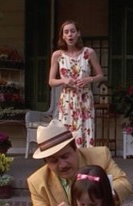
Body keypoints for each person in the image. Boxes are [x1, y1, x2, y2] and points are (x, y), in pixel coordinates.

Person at [48, 20, 105, 148]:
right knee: (67, 134)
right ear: (62, 36)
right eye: (66, 32)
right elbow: (51, 81)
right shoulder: (57, 55)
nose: (70, 35)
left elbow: (101, 75)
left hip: (85, 99)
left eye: (73, 31)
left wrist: (88, 79)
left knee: (86, 132)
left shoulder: (88, 53)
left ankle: (86, 165)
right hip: (67, 100)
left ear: (78, 33)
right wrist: (64, 80)